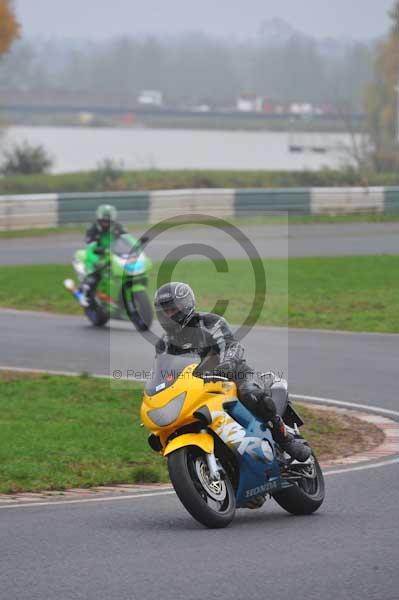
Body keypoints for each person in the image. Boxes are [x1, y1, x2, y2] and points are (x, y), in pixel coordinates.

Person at [153, 281, 311, 462]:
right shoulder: (163, 344)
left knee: (250, 393)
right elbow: (163, 369)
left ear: (186, 305)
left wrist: (226, 362)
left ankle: (285, 438)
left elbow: (230, 345)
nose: (169, 315)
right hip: (198, 385)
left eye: (173, 310)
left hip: (234, 374)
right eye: (165, 312)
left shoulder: (210, 322)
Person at [77, 204, 126, 307]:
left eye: (108, 221)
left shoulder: (118, 227)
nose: (105, 224)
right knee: (96, 271)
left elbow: (126, 238)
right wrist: (97, 254)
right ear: (99, 220)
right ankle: (83, 292)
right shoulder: (93, 229)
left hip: (114, 253)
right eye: (103, 221)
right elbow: (89, 245)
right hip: (97, 254)